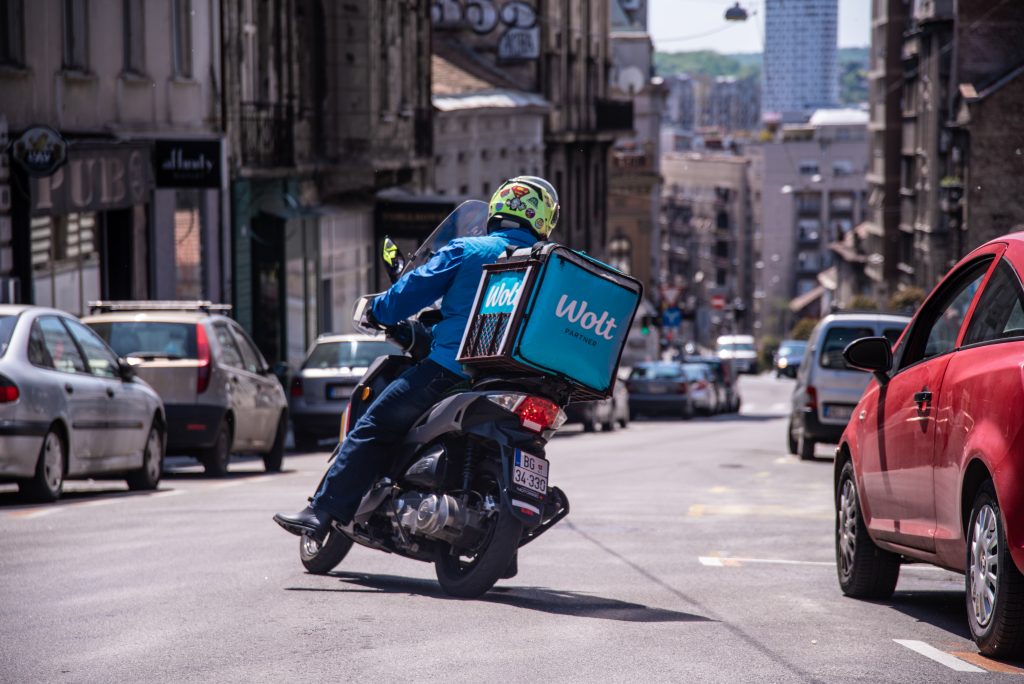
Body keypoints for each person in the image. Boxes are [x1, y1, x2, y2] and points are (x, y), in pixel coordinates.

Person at [274, 177, 560, 540]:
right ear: (544, 221)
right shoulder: (555, 267)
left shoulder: (468, 250)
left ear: (497, 208)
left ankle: (323, 511)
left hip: (455, 370)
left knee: (375, 424)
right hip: (529, 382)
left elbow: (405, 297)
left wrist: (377, 310)